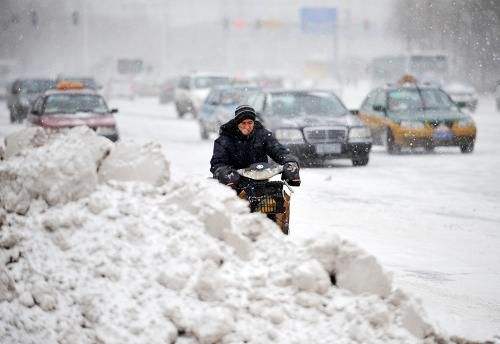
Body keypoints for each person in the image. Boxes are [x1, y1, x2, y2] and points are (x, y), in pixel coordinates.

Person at [210, 104, 300, 190]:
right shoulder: (224, 140)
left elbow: (278, 150)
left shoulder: (263, 135)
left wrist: (290, 162)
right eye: (243, 123)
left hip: (261, 182)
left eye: (250, 123)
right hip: (235, 184)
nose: (247, 127)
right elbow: (217, 163)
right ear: (237, 123)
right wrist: (225, 173)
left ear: (254, 122)